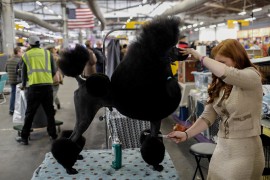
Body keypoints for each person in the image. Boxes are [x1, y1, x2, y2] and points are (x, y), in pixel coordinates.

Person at [167, 39, 265, 179]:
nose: (218, 66)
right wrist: (187, 134)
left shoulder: (251, 76)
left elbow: (230, 74)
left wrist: (199, 56)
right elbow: (208, 116)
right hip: (222, 148)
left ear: (237, 59)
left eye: (222, 62)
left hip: (245, 151)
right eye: (216, 61)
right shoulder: (221, 83)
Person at [16, 36, 58, 145]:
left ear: (30, 44)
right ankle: (53, 135)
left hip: (34, 88)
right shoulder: (47, 54)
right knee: (49, 112)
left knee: (29, 113)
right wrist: (48, 78)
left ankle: (24, 138)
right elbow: (54, 70)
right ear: (39, 43)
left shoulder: (26, 55)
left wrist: (24, 84)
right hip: (47, 87)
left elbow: (23, 73)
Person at [5, 46, 23, 115]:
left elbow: (6, 70)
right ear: (18, 52)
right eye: (21, 52)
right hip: (19, 80)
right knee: (20, 95)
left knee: (13, 95)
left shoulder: (9, 60)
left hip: (11, 80)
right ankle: (20, 110)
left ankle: (11, 110)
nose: (22, 53)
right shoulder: (20, 60)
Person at [47, 45, 62, 110]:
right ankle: (51, 106)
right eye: (55, 49)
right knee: (54, 91)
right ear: (52, 50)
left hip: (47, 77)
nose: (56, 50)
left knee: (53, 91)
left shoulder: (46, 57)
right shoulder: (56, 57)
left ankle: (57, 103)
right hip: (55, 76)